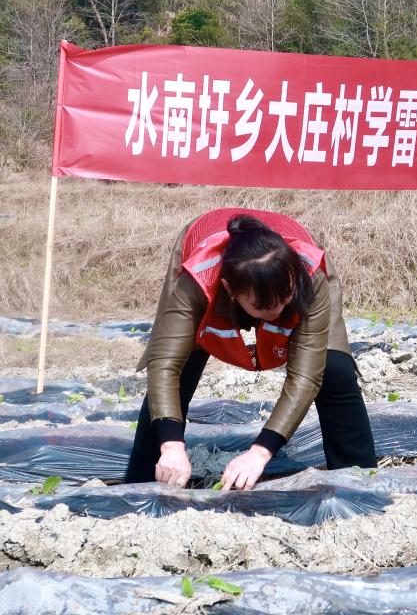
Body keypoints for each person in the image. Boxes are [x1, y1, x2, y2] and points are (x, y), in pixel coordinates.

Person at [125, 207, 376, 490]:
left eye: (285, 299)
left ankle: (360, 483)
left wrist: (260, 452)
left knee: (334, 369)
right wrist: (171, 445)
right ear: (229, 289)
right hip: (211, 278)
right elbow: (164, 363)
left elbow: (305, 377)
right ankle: (142, 484)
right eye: (265, 306)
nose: (279, 310)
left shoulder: (309, 276)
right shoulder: (197, 279)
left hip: (298, 286)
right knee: (179, 367)